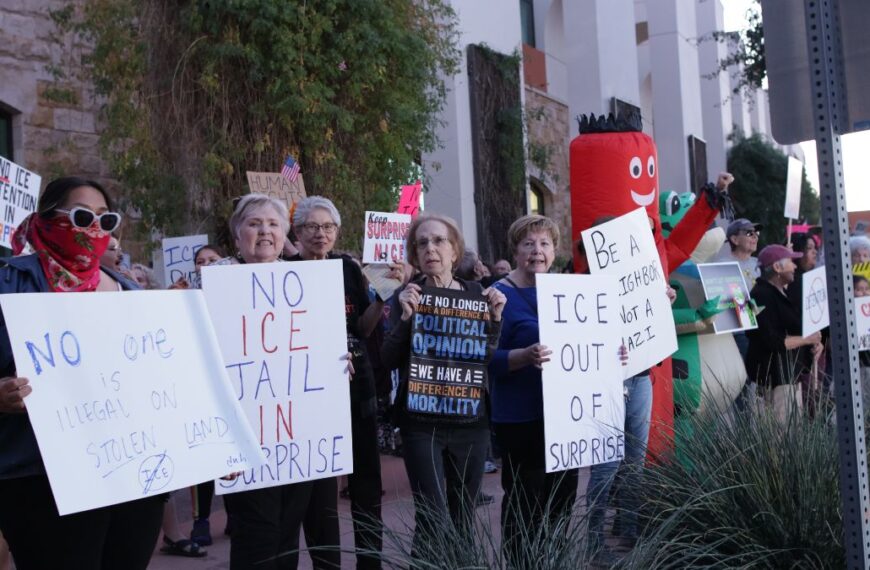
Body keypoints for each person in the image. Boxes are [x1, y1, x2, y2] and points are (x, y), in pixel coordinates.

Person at [0, 177, 164, 569]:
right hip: (40, 479)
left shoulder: (128, 291)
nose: (94, 229)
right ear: (46, 218)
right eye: (81, 217)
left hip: (130, 473)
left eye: (105, 221)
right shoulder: (9, 281)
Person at [219, 193, 345, 570]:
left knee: (287, 537)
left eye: (273, 224)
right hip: (244, 438)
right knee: (256, 538)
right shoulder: (215, 283)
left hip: (297, 438)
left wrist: (338, 364)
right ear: (237, 234)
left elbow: (319, 344)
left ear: (284, 235)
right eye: (254, 223)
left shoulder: (304, 284)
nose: (265, 231)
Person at [381, 214, 505, 554]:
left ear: (454, 251)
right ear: (414, 254)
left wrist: (495, 321)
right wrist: (406, 319)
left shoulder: (477, 294)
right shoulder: (407, 294)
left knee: (463, 515)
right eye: (422, 243)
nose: (430, 249)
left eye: (439, 241)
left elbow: (484, 357)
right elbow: (387, 359)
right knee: (432, 517)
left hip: (470, 422)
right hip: (422, 424)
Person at [288, 196, 385, 570]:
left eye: (328, 226)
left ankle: (370, 562)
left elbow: (362, 327)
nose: (320, 233)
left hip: (356, 389)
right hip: (311, 397)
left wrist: (381, 300)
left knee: (366, 484)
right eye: (312, 226)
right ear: (297, 232)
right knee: (319, 493)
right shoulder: (284, 270)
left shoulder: (348, 268)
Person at [487, 215, 579, 562]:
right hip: (521, 418)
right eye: (528, 244)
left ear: (554, 252)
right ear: (515, 251)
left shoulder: (568, 291)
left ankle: (553, 561)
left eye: (544, 244)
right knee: (525, 501)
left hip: (566, 416)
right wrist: (524, 356)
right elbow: (486, 359)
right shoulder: (496, 295)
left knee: (563, 497)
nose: (537, 251)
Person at [745, 244, 823, 421]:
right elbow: (771, 340)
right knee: (782, 433)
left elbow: (793, 330)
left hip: (789, 375)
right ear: (777, 267)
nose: (795, 266)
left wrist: (814, 344)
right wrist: (807, 339)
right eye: (790, 262)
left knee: (793, 429)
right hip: (774, 379)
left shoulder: (781, 293)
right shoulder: (760, 295)